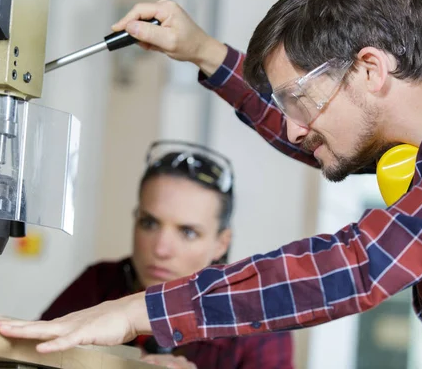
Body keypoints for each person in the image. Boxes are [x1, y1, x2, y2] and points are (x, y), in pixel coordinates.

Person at [0, 0, 422, 368]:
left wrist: (136, 312)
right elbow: (328, 139)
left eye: (299, 101)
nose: (295, 130)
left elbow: (359, 264)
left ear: (369, 70)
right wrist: (203, 52)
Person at [36, 140, 293, 369]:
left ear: (221, 243)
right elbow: (31, 358)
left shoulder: (258, 321)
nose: (160, 249)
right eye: (149, 223)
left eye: (188, 232)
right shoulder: (99, 284)